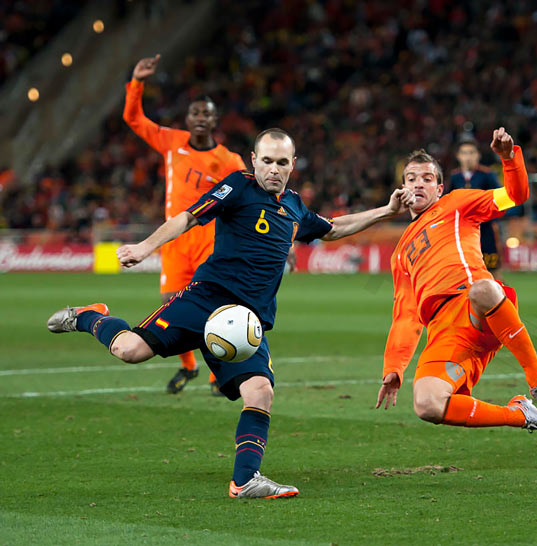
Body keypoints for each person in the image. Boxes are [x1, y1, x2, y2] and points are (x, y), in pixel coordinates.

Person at [47, 128, 415, 499]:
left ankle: (245, 480)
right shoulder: (237, 186)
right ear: (254, 160)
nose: (273, 169)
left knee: (260, 390)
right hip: (204, 299)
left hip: (244, 320)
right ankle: (88, 316)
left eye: (282, 162)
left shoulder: (295, 207)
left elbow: (334, 228)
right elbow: (189, 218)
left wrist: (387, 210)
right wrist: (145, 247)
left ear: (293, 165)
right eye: (267, 160)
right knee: (129, 350)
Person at [376, 128, 537, 435]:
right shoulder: (399, 255)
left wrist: (508, 159)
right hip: (444, 333)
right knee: (426, 404)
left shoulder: (457, 203)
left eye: (427, 178)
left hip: (476, 307)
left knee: (483, 287)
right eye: (411, 178)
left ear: (440, 188)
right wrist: (394, 369)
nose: (418, 183)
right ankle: (521, 415)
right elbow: (406, 315)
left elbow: (515, 196)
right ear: (402, 189)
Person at [123, 54, 246, 396]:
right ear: (188, 119)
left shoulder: (229, 161)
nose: (201, 118)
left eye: (207, 113)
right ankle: (188, 366)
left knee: (211, 305)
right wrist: (137, 82)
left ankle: (216, 375)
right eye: (195, 113)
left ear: (215, 120)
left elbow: (245, 198)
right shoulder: (171, 141)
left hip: (209, 238)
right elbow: (133, 119)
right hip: (174, 239)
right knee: (170, 301)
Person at [449, 139, 504, 280]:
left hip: (485, 230)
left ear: (478, 155)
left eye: (471, 153)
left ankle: (501, 299)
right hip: (462, 232)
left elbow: (499, 197)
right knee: (462, 272)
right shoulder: (454, 177)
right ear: (458, 156)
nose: (468, 157)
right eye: (464, 153)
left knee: (492, 270)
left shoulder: (487, 175)